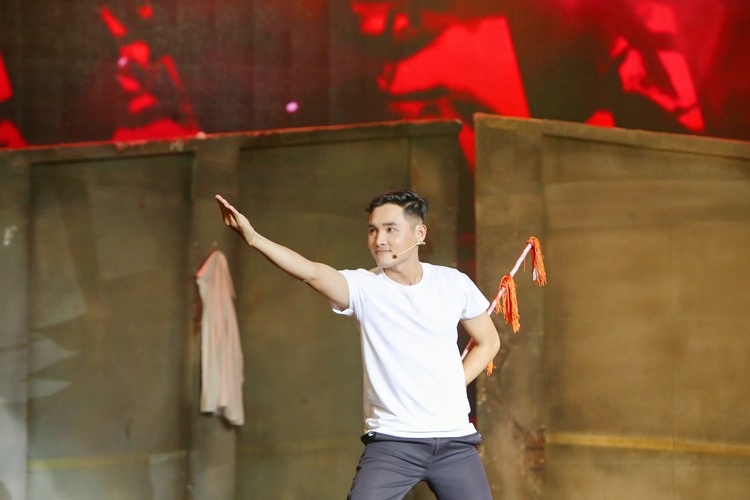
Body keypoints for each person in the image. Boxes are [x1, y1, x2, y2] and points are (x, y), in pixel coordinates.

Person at [216, 188, 500, 499]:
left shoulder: (453, 283)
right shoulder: (364, 287)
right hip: (393, 443)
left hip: (455, 443)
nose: (379, 240)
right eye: (372, 230)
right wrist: (254, 238)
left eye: (390, 230)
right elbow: (310, 272)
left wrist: (453, 382)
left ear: (419, 233)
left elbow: (488, 342)